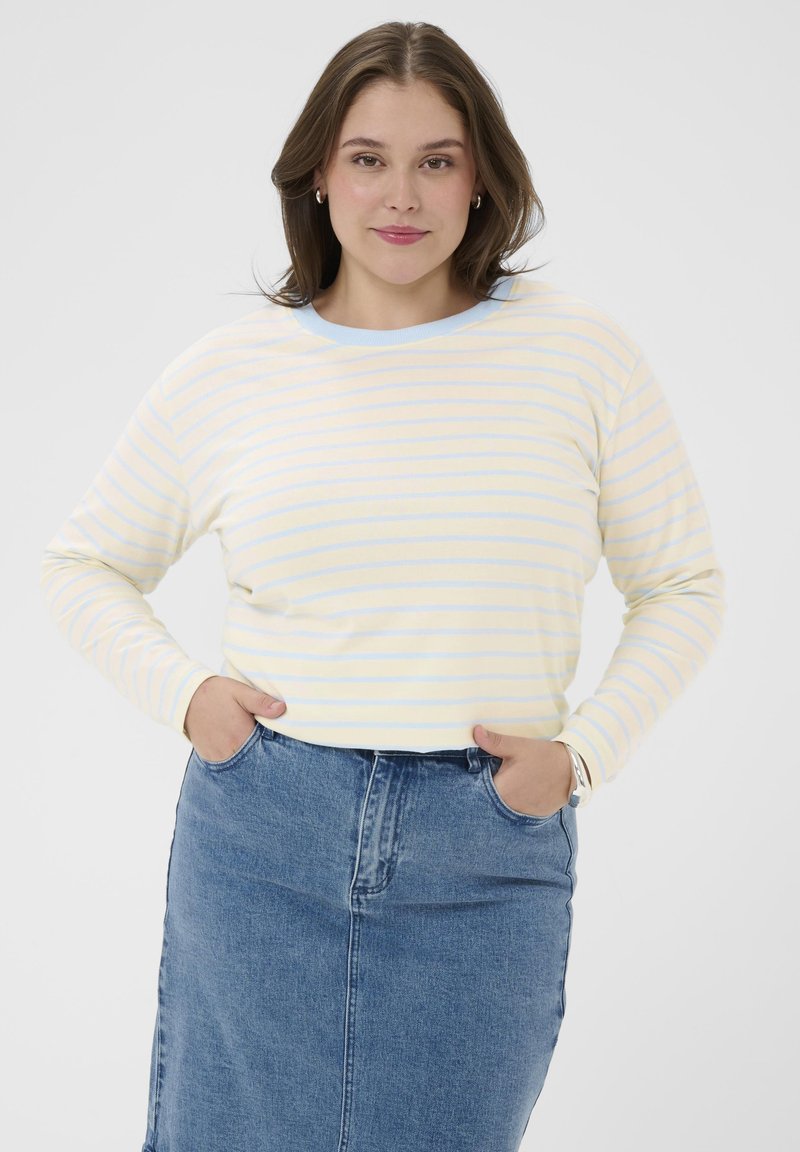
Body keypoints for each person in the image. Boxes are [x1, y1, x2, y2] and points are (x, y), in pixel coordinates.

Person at [40, 19, 726, 1152]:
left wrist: (581, 755)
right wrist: (191, 699)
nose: (400, 195)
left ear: (480, 178)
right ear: (319, 175)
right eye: (368, 158)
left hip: (484, 845)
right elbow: (84, 565)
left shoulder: (579, 355)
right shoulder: (233, 372)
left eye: (435, 160)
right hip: (262, 835)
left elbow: (683, 585)